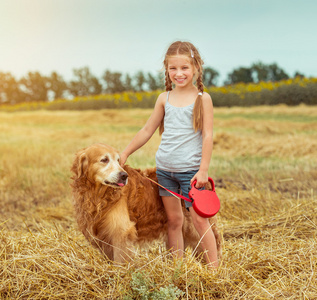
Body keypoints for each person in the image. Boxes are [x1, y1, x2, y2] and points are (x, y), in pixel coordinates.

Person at [120, 41, 218, 268]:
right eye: (173, 68)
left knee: (200, 222)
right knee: (173, 221)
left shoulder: (203, 98)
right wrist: (124, 153)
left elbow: (207, 136)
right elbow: (147, 130)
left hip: (191, 173)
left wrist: (203, 170)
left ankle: (215, 272)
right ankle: (177, 269)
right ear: (167, 70)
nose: (179, 73)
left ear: (196, 68)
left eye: (184, 68)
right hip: (165, 171)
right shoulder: (164, 98)